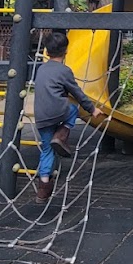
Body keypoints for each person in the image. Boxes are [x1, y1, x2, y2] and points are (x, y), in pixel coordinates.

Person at [32, 30, 104, 201]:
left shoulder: (41, 69)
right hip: (59, 112)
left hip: (41, 116)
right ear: (66, 51)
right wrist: (92, 109)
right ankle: (62, 133)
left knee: (47, 149)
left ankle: (43, 188)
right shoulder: (64, 70)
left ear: (46, 51)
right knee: (73, 109)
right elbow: (77, 92)